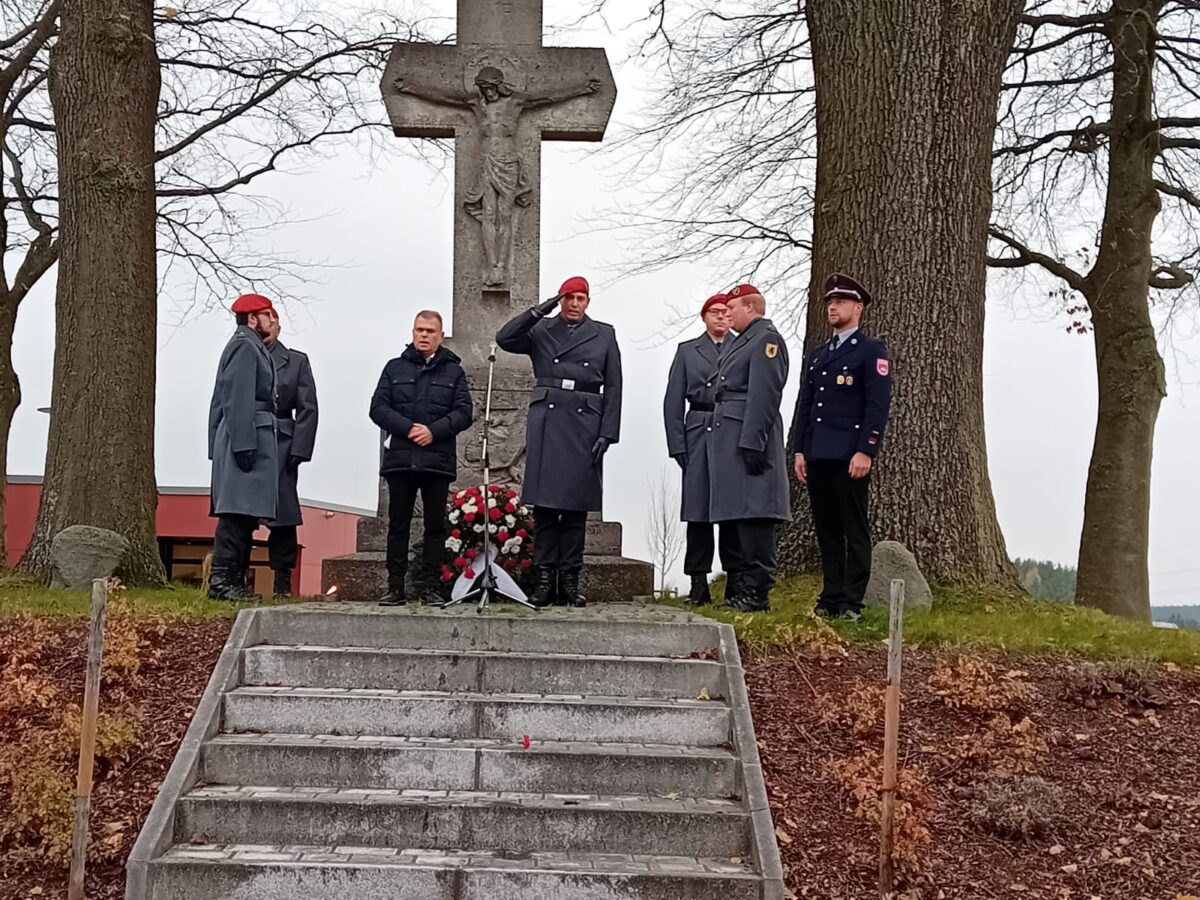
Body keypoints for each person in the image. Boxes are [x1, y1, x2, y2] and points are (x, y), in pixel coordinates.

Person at [496, 275, 622, 608]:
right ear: (560, 300)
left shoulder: (604, 334)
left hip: (585, 421)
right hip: (549, 421)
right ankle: (543, 580)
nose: (575, 304)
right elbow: (505, 337)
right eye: (568, 298)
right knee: (547, 510)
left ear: (588, 302)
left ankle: (570, 582)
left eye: (581, 298)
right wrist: (539, 311)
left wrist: (608, 432)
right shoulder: (541, 330)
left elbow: (614, 386)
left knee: (576, 509)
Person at [791, 273, 892, 620]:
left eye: (841, 302)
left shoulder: (870, 351)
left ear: (858, 307)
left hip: (850, 455)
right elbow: (806, 404)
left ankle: (852, 601)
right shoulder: (819, 356)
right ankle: (830, 596)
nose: (833, 307)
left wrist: (867, 449)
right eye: (829, 302)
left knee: (854, 528)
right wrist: (799, 450)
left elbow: (876, 405)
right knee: (827, 530)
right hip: (818, 453)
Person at [370, 311, 473, 606]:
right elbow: (378, 407)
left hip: (436, 461)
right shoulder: (394, 368)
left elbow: (464, 412)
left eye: (430, 331)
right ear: (412, 332)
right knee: (398, 524)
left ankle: (430, 586)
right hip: (401, 460)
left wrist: (433, 431)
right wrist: (408, 428)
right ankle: (395, 587)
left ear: (441, 336)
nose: (424, 335)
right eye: (419, 330)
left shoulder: (454, 372)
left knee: (435, 526)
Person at [708, 283, 790, 613]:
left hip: (749, 435)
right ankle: (739, 585)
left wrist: (753, 441)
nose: (728, 314)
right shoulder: (742, 341)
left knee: (755, 513)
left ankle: (757, 591)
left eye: (733, 308)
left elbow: (764, 394)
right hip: (731, 435)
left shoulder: (765, 340)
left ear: (751, 308)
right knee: (736, 513)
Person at [663, 292, 744, 605]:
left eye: (726, 312)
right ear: (704, 316)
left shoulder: (742, 347)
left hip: (731, 431)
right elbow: (673, 400)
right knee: (698, 510)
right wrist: (676, 444)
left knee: (732, 509)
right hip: (697, 430)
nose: (721, 317)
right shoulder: (687, 351)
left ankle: (735, 580)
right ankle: (698, 582)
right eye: (715, 312)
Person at [207, 293, 279, 601]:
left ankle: (233, 582)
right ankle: (222, 582)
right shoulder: (245, 347)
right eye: (267, 314)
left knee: (245, 515)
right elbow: (236, 399)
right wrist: (244, 445)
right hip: (247, 436)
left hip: (251, 435)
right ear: (252, 319)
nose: (273, 320)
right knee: (236, 514)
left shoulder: (250, 346)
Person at [262, 313, 318, 598]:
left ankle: (282, 580)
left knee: (283, 515)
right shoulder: (241, 357)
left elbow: (308, 408)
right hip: (247, 440)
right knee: (239, 514)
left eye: (270, 322)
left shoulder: (296, 361)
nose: (264, 327)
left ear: (278, 327)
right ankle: (233, 575)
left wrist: (299, 449)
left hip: (282, 444)